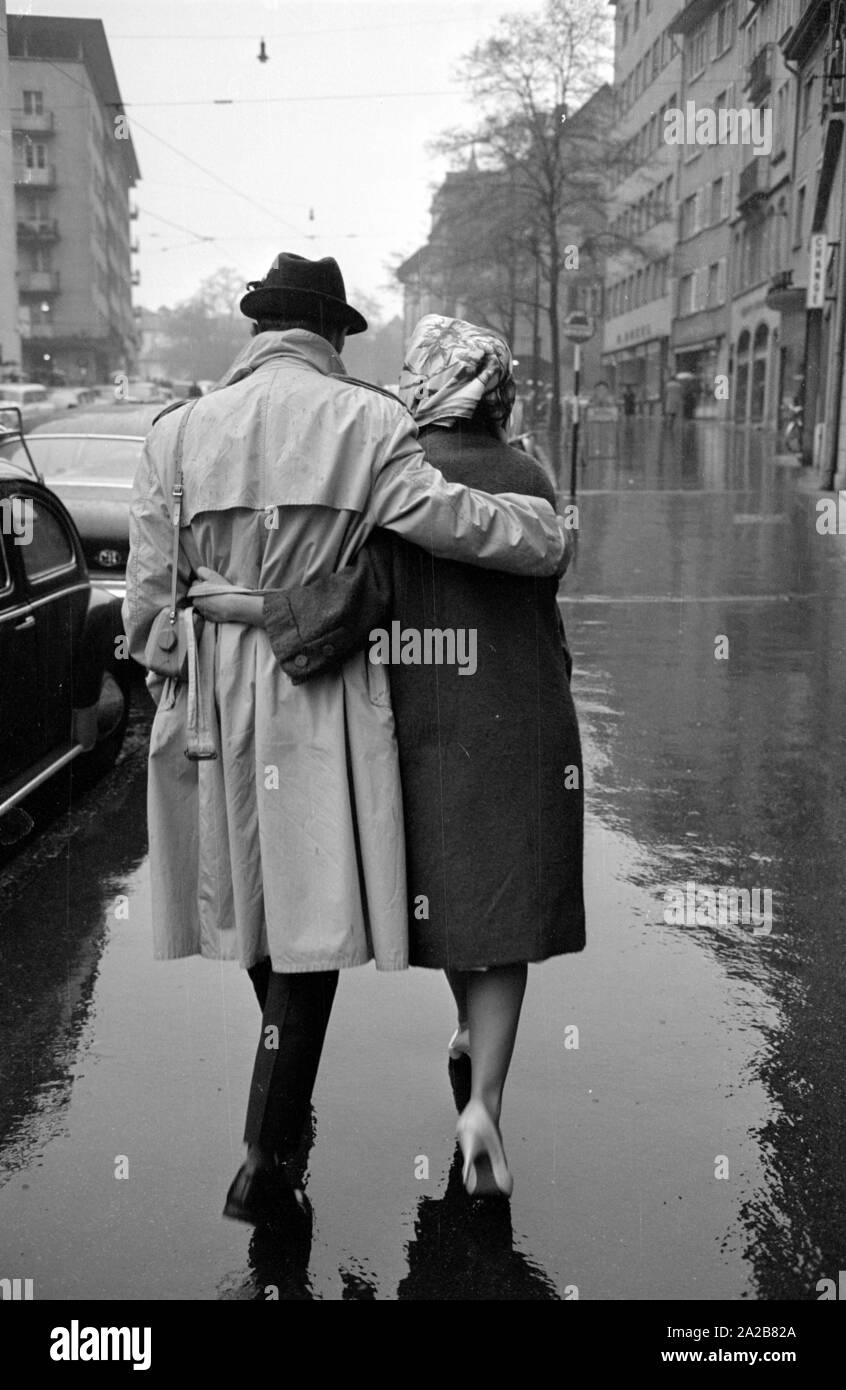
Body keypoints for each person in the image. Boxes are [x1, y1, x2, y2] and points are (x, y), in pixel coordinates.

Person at [123, 257, 569, 1227]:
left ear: (254, 332)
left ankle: (279, 1115)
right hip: (314, 692)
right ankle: (267, 1150)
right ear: (330, 335)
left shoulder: (177, 435)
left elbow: (150, 609)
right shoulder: (367, 422)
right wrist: (540, 534)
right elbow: (447, 520)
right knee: (311, 918)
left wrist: (175, 651)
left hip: (209, 703)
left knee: (248, 903)